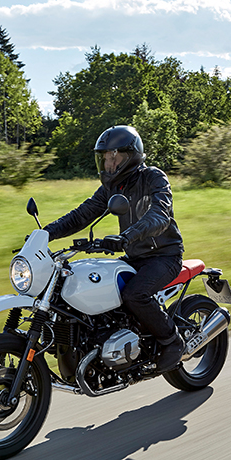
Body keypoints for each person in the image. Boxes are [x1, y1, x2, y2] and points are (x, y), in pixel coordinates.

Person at [43, 125, 186, 371]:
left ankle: (172, 341)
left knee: (134, 295)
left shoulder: (153, 177)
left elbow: (159, 214)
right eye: (104, 157)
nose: (108, 163)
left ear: (130, 156)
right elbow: (82, 214)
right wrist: (45, 233)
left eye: (113, 156)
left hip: (164, 256)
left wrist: (127, 236)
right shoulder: (111, 187)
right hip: (135, 256)